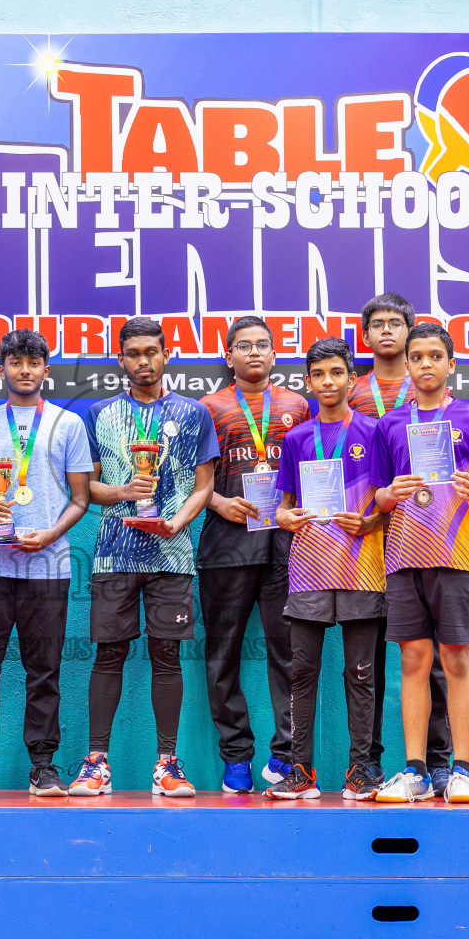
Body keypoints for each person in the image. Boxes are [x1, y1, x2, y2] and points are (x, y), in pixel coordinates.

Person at [70, 316, 218, 797]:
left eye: (151, 351)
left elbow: (204, 486)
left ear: (166, 354)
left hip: (172, 552)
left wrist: (178, 522)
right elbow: (86, 488)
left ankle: (168, 765)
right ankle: (95, 764)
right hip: (114, 554)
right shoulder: (98, 415)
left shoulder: (194, 414)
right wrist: (118, 491)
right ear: (121, 359)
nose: (143, 361)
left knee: (167, 655)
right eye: (133, 353)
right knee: (109, 654)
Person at [0, 329, 91, 797]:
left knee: (45, 668)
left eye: (34, 363)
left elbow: (80, 499)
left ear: (45, 372)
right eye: (16, 363)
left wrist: (52, 534)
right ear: (2, 371)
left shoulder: (68, 426)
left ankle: (43, 765)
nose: (25, 371)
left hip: (48, 565)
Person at [369, 322, 469, 804]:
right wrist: (389, 493)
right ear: (406, 365)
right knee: (413, 660)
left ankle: (461, 772)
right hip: (404, 556)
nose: (425, 364)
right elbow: (379, 497)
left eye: (434, 356)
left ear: (450, 364)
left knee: (457, 659)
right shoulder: (391, 424)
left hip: (458, 555)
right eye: (416, 357)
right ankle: (416, 771)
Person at [263, 339, 387, 800]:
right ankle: (300, 770)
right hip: (310, 568)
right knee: (302, 673)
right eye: (319, 375)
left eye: (337, 372)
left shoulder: (374, 432)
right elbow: (284, 507)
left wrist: (372, 519)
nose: (329, 382)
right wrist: (285, 518)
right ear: (309, 382)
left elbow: (388, 505)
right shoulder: (296, 439)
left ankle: (361, 770)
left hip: (362, 567)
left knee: (360, 672)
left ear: (352, 377)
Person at [349, 293, 455, 797]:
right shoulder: (351, 394)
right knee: (368, 655)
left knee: (429, 657)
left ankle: (438, 764)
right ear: (365, 336)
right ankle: (368, 763)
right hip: (361, 539)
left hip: (427, 535)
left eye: (397, 324)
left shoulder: (433, 398)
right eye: (378, 325)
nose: (387, 332)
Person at [197, 316, 309, 792]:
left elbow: (313, 471)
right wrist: (220, 502)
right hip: (227, 546)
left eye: (264, 345)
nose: (255, 353)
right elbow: (190, 479)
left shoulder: (298, 406)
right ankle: (236, 758)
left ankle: (287, 757)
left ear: (275, 354)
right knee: (222, 655)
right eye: (244, 346)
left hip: (287, 547)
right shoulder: (208, 408)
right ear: (229, 357)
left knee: (288, 655)